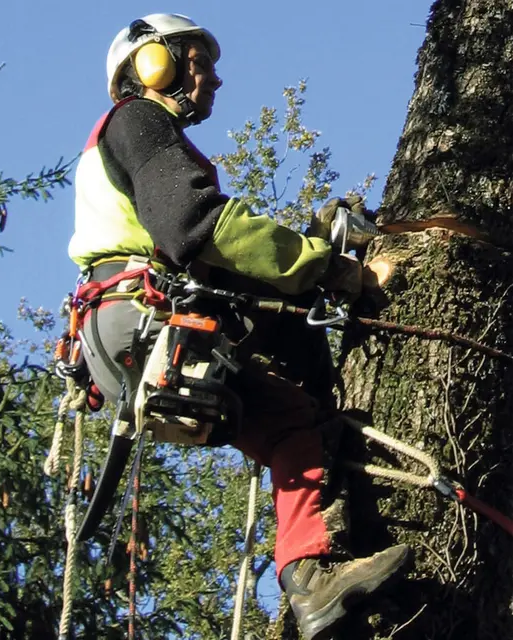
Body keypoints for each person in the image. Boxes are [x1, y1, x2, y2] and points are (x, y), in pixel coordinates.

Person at [68, 13, 409, 639]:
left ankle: (310, 586)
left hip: (131, 333)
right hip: (141, 316)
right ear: (154, 63)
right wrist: (329, 269)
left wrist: (310, 266)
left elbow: (221, 269)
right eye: (200, 59)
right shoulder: (137, 122)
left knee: (292, 426)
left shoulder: (131, 144)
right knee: (292, 415)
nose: (216, 78)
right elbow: (199, 228)